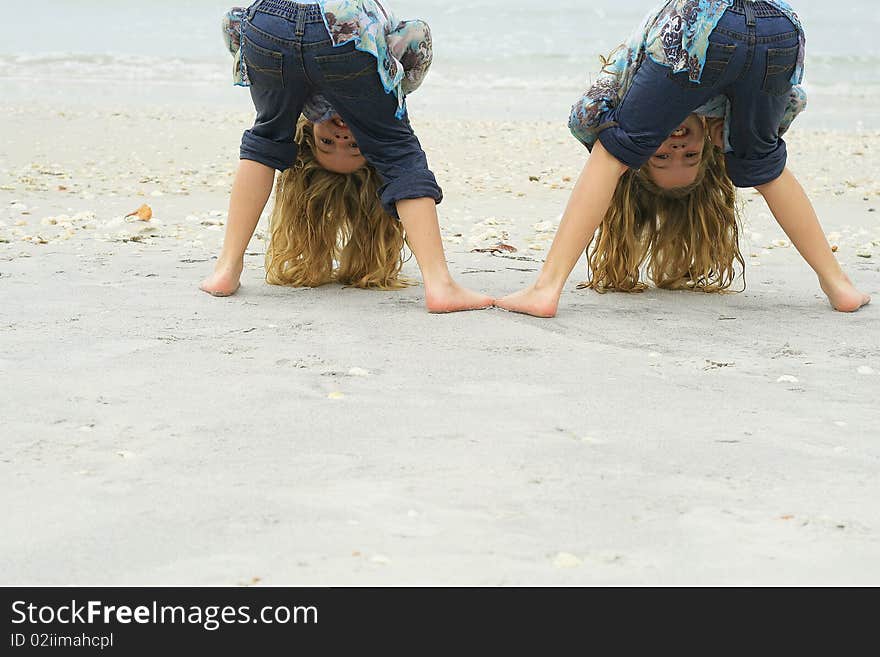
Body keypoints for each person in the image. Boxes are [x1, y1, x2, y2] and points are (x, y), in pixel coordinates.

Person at [497, 0, 870, 317]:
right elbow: (795, 99)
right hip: (778, 23)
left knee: (611, 153)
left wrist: (614, 146)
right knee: (762, 164)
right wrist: (735, 136)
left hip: (706, 24)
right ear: (708, 149)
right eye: (687, 155)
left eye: (660, 155)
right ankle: (839, 285)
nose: (676, 145)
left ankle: (546, 287)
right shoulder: (721, 117)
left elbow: (588, 116)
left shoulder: (632, 95)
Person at [200, 0, 493, 313]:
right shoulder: (376, 107)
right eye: (354, 147)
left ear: (307, 136)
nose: (340, 136)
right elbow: (233, 25)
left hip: (277, 17)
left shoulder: (302, 107)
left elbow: (417, 33)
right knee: (396, 151)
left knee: (266, 139)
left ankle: (226, 269)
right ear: (370, 154)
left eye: (327, 142)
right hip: (312, 26)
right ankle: (440, 284)